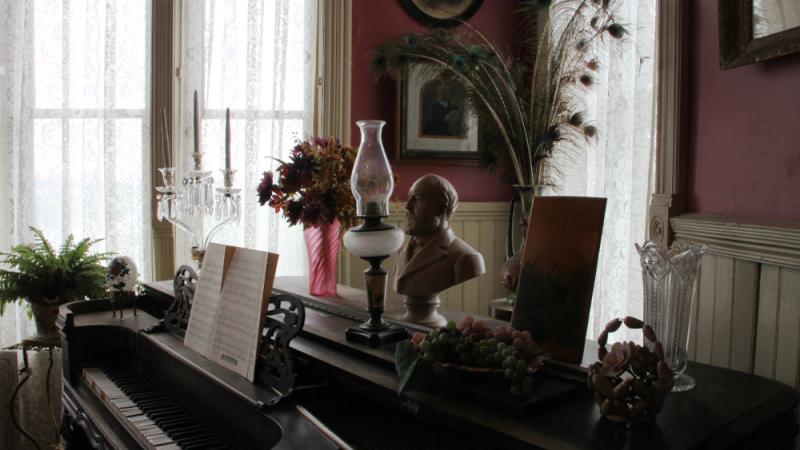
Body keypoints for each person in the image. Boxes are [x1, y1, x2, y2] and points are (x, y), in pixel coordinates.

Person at [394, 174, 485, 326]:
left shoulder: (467, 258)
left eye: (417, 199)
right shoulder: (402, 250)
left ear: (441, 209)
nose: (407, 205)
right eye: (409, 198)